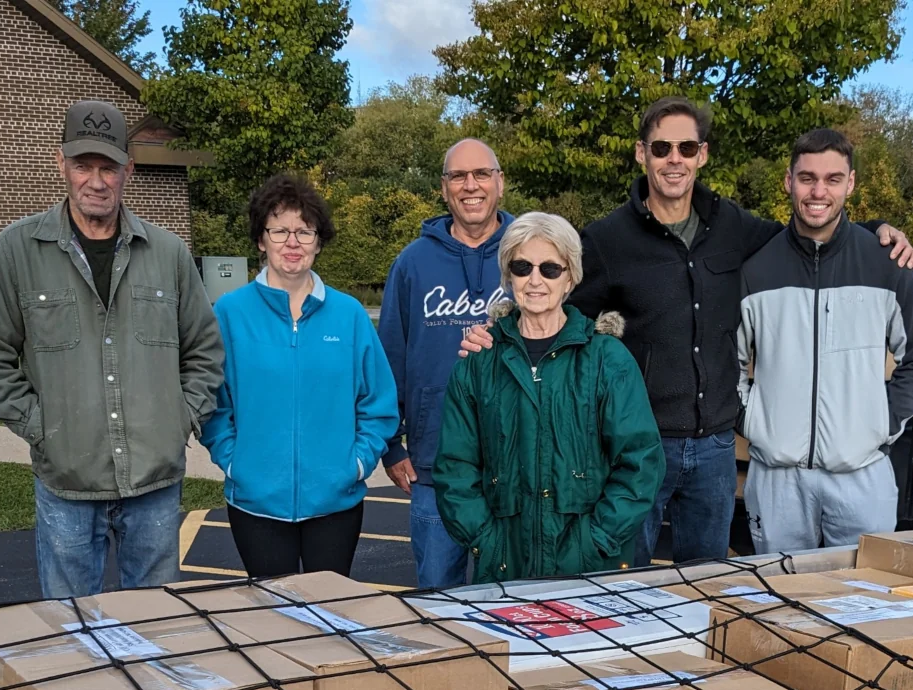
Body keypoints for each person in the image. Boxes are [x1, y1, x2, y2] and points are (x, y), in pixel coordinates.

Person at [460, 97, 913, 566]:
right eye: (661, 148)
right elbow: (552, 304)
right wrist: (496, 335)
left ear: (702, 154)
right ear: (642, 153)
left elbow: (808, 234)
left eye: (685, 147)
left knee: (705, 588)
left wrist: (875, 232)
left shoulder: (732, 224)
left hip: (715, 450)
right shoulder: (607, 239)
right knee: (626, 585)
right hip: (636, 448)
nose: (673, 159)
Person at [0, 100, 223, 599]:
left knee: (156, 624)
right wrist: (38, 426)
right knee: (71, 631)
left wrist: (181, 416)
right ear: (60, 164)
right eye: (84, 166)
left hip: (154, 480)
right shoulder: (17, 250)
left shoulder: (168, 253)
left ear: (128, 169)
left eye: (108, 167)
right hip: (67, 479)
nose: (96, 181)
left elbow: (204, 348)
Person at [434, 212, 664, 582]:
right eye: (522, 267)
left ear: (570, 276)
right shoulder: (479, 363)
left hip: (590, 570)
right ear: (508, 276)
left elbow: (640, 463)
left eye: (550, 269)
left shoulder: (607, 360)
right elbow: (455, 468)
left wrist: (596, 541)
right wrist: (486, 542)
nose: (535, 280)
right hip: (504, 570)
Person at [737, 129, 913, 552]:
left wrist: (879, 427)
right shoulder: (755, 268)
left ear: (851, 183)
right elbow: (726, 363)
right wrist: (753, 420)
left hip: (862, 477)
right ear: (789, 181)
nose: (818, 191)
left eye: (832, 179)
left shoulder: (889, 264)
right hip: (777, 481)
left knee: (864, 607)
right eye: (807, 178)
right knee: (781, 606)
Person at [200, 175, 398, 578]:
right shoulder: (229, 314)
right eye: (280, 230)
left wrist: (356, 465)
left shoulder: (350, 316)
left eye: (304, 232)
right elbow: (212, 402)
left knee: (329, 617)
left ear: (318, 242)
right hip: (256, 504)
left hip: (335, 505)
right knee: (272, 620)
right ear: (261, 239)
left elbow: (378, 403)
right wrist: (235, 463)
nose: (292, 243)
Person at [379, 138, 514, 588]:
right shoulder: (413, 263)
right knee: (440, 606)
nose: (470, 185)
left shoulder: (528, 256)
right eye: (458, 176)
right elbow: (388, 361)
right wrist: (391, 446)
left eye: (481, 174)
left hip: (516, 464)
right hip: (435, 469)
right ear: (444, 188)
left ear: (500, 183)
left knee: (516, 601)